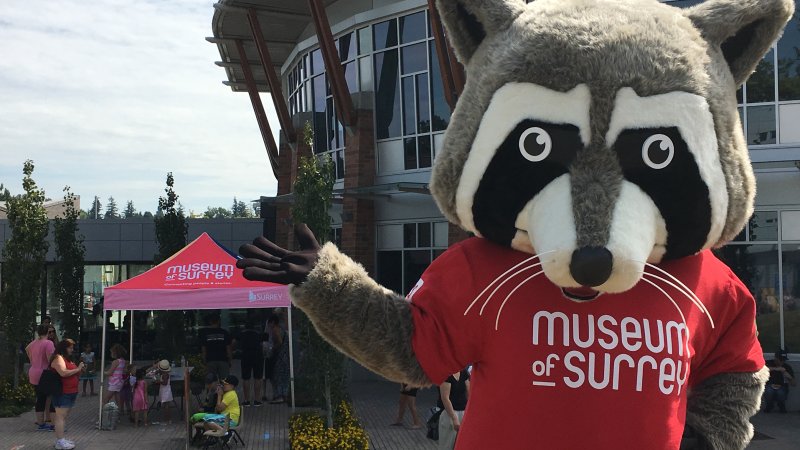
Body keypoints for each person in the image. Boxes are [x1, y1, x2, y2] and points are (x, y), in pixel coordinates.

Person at [49, 338, 85, 450]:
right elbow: (63, 373)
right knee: (60, 417)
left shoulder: (67, 359)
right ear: (64, 348)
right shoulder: (58, 358)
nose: (72, 350)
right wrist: (78, 369)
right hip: (62, 392)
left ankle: (60, 439)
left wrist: (79, 370)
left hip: (71, 391)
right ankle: (60, 441)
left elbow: (72, 372)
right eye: (70, 347)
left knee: (63, 417)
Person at [26, 324, 55, 431]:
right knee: (52, 397)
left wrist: (32, 359)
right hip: (44, 373)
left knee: (40, 398)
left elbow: (27, 348)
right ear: (48, 332)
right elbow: (50, 359)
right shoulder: (48, 343)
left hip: (34, 371)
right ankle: (53, 423)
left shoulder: (34, 343)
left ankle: (41, 424)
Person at [438, 368, 470, 449]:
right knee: (447, 445)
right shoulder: (446, 375)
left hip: (463, 411)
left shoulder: (463, 372)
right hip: (449, 413)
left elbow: (469, 392)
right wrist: (454, 418)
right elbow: (445, 398)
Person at [238, 319, 265, 406]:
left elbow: (236, 343)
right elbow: (263, 344)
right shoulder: (258, 334)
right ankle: (257, 399)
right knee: (258, 377)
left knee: (246, 378)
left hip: (245, 356)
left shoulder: (242, 334)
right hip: (258, 356)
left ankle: (246, 400)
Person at [266, 315, 289, 403]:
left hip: (279, 356)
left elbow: (279, 341)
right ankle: (284, 395)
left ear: (272, 322)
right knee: (284, 376)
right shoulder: (281, 329)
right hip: (285, 356)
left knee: (277, 376)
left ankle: (279, 396)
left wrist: (273, 348)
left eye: (269, 323)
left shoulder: (275, 330)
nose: (268, 325)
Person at [200, 315, 232, 379]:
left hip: (210, 360)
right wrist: (230, 360)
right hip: (223, 359)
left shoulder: (205, 334)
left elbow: (204, 349)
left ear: (210, 322)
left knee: (211, 381)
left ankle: (213, 389)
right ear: (219, 321)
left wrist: (204, 360)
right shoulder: (224, 333)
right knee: (225, 381)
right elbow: (228, 349)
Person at [156, 359, 174, 424]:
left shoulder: (164, 375)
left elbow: (165, 383)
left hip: (165, 390)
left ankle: (167, 419)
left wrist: (159, 382)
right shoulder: (165, 374)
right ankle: (168, 419)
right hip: (166, 390)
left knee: (166, 406)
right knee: (166, 405)